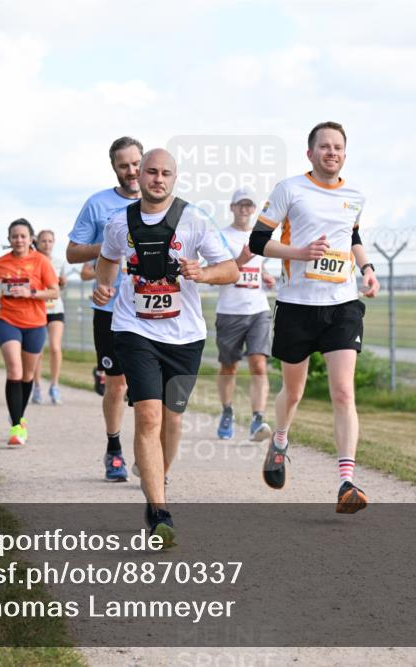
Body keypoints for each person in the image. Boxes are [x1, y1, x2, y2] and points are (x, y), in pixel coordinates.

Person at [94, 148, 237, 544]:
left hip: (184, 335)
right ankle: (160, 511)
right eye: (151, 172)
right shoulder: (118, 222)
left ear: (175, 178)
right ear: (138, 176)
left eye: (166, 173)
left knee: (173, 419)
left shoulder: (194, 220)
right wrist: (102, 286)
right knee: (149, 417)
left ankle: (158, 474)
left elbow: (231, 270)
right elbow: (107, 260)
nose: (158, 179)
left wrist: (204, 273)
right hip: (134, 329)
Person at [248, 121, 381, 514]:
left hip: (342, 304)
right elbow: (257, 241)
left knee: (343, 391)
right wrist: (299, 253)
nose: (332, 153)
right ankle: (281, 439)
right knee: (294, 392)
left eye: (338, 147)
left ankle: (346, 482)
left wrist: (367, 268)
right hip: (297, 306)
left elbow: (351, 236)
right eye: (324, 147)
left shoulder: (355, 195)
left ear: (345, 153)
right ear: (310, 153)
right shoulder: (290, 189)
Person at [66, 136, 144, 482]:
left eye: (136, 164)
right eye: (124, 165)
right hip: (110, 308)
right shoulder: (98, 204)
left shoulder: (162, 204)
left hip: (152, 310)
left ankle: (148, 456)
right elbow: (72, 253)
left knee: (149, 389)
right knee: (118, 385)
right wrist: (110, 243)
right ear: (114, 168)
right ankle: (114, 449)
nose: (132, 171)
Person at [0, 219, 59, 446]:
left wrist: (31, 292)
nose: (18, 240)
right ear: (9, 240)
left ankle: (19, 415)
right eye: (14, 236)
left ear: (30, 239)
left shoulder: (41, 262)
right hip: (8, 320)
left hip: (35, 323)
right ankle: (16, 427)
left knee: (27, 376)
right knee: (14, 371)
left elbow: (54, 292)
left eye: (23, 236)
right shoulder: (2, 262)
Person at [215, 187, 276, 441]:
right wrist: (239, 260)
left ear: (254, 209)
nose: (244, 209)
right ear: (232, 208)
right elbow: (215, 272)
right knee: (229, 367)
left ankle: (257, 419)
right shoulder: (221, 236)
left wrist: (264, 275)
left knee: (258, 363)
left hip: (257, 309)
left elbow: (257, 265)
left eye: (249, 205)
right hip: (230, 311)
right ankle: (227, 411)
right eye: (240, 204)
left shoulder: (259, 236)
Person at [30, 229, 68, 405]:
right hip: (37, 310)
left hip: (55, 309)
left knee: (54, 347)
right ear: (37, 243)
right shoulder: (32, 261)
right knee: (37, 350)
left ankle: (54, 385)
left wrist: (63, 284)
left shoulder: (59, 262)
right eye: (43, 241)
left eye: (50, 241)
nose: (47, 244)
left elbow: (60, 286)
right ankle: (36, 386)